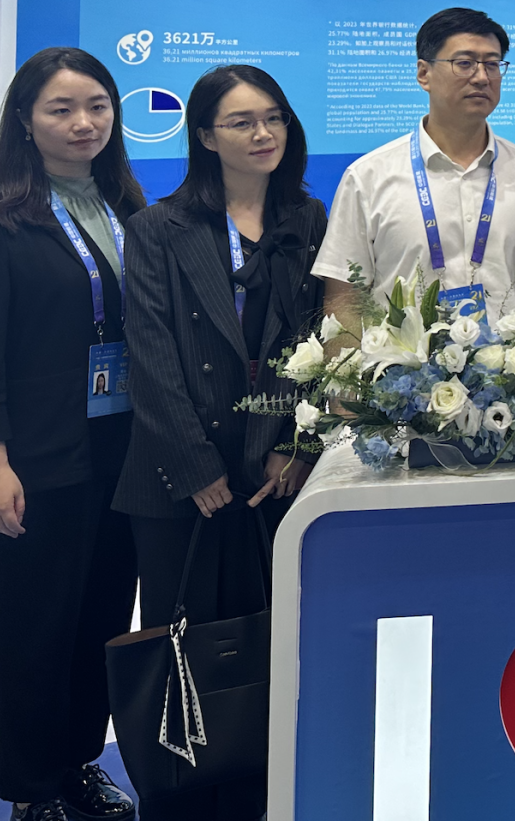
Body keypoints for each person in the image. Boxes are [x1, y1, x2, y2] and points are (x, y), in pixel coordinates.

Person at [115, 66, 328, 818]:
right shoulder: (159, 228)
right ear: (205, 136)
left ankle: (268, 790)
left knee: (275, 638)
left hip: (278, 472)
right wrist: (195, 464)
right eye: (242, 122)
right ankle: (181, 795)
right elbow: (150, 353)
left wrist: (298, 445)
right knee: (187, 640)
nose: (263, 134)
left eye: (274, 117)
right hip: (182, 476)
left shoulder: (309, 218)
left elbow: (326, 340)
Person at [0, 48, 146, 821]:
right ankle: (32, 789)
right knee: (36, 627)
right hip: (36, 456)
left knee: (102, 617)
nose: (83, 123)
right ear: (25, 120)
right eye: (61, 109)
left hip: (124, 450)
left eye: (97, 106)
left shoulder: (130, 209)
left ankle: (80, 762)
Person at [314, 7, 515, 322]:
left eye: (492, 64)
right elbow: (345, 300)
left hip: (507, 354)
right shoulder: (368, 177)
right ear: (423, 73)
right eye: (464, 63)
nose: (482, 77)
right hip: (399, 355)